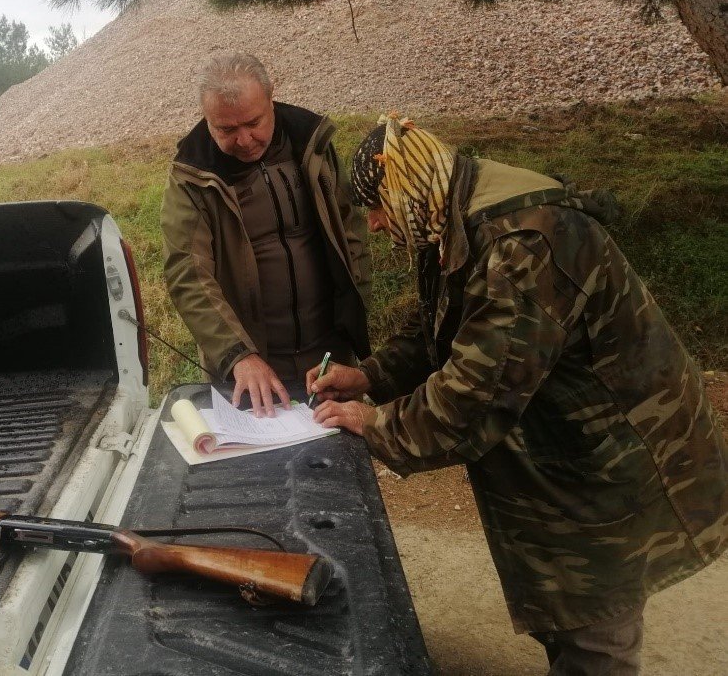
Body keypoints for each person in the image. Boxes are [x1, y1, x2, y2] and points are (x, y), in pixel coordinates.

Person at [308, 114, 728, 674]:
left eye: (378, 204)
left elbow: (473, 395)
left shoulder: (520, 241)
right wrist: (371, 377)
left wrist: (373, 422)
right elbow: (443, 325)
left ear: (405, 183)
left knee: (596, 619)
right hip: (562, 443)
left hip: (613, 452)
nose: (379, 223)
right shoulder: (450, 210)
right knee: (567, 607)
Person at [162, 52, 370, 415]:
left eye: (253, 122)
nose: (244, 140)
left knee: (340, 462)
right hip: (253, 366)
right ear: (207, 119)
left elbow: (351, 231)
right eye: (226, 129)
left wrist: (354, 317)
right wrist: (238, 355)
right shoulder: (192, 177)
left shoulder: (312, 143)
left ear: (271, 98)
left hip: (329, 354)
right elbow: (188, 274)